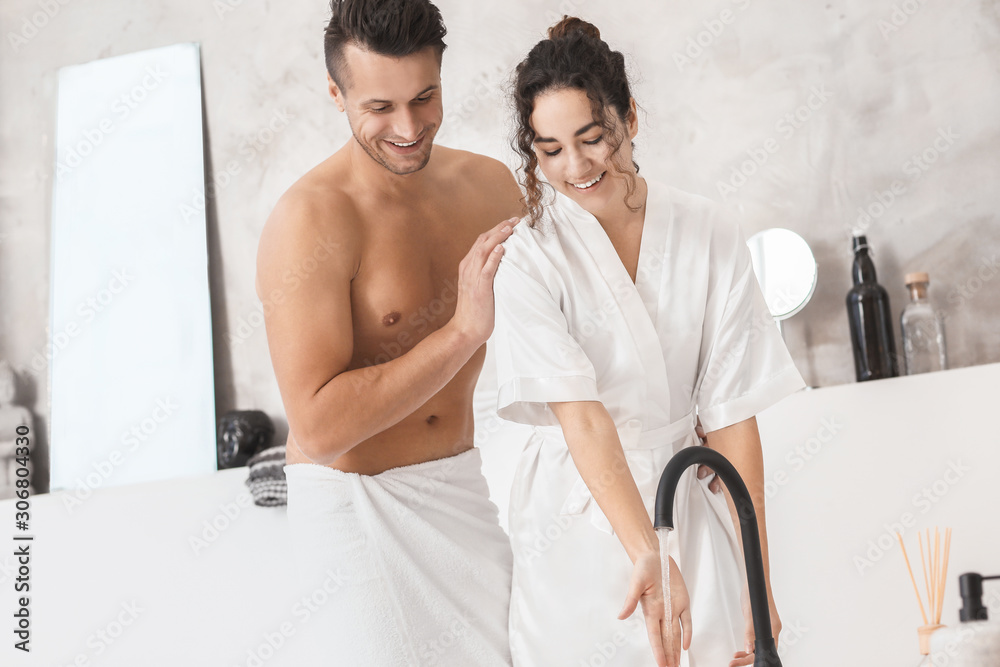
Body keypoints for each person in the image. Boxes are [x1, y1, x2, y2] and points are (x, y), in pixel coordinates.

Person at [491, 17, 806, 667]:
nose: (574, 166)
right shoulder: (526, 258)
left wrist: (757, 582)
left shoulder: (709, 232)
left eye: (591, 137)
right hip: (577, 518)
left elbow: (732, 418)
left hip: (687, 494)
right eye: (549, 150)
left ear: (629, 117)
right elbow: (581, 414)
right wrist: (647, 552)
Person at [255, 0, 524, 664]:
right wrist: (461, 333)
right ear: (335, 92)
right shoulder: (310, 221)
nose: (408, 126)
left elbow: (568, 322)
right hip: (355, 508)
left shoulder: (489, 187)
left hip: (460, 489)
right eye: (379, 107)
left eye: (425, 97)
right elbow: (317, 426)